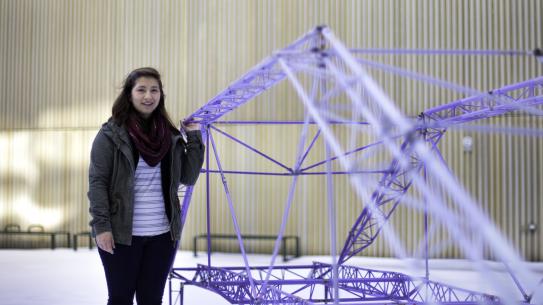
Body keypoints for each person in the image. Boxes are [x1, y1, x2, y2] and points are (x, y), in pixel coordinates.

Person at [87, 67, 205, 305]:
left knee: (151, 300)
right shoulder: (110, 135)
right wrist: (102, 227)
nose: (148, 96)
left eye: (154, 90)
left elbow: (189, 177)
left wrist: (193, 137)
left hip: (162, 236)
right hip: (121, 236)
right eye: (141, 90)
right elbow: (97, 183)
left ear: (161, 95)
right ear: (129, 94)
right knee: (120, 299)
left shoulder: (169, 136)